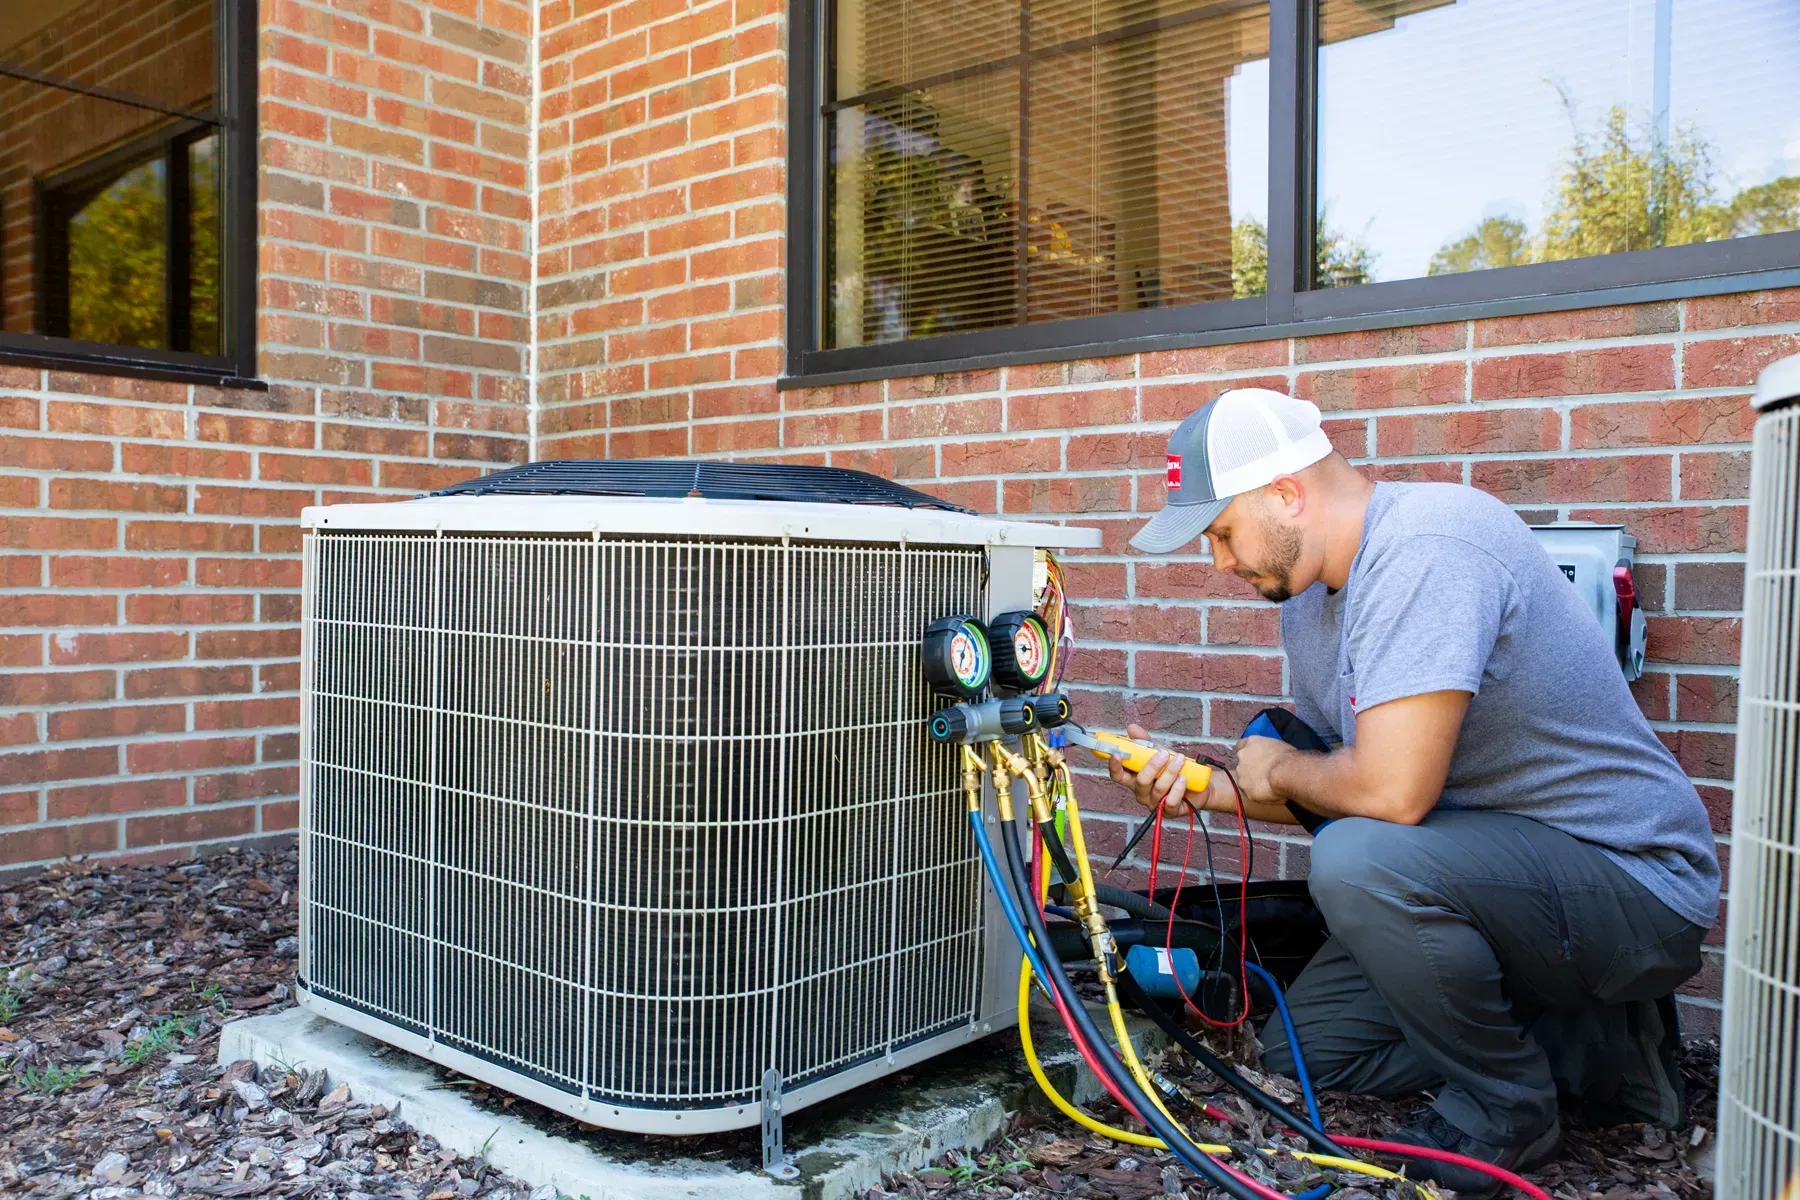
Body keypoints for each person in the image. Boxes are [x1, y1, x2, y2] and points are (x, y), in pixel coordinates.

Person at [1111, 387, 1719, 1198]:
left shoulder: (1430, 546)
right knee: (1313, 1051)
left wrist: (1283, 767)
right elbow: (1345, 787)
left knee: (1361, 861)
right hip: (1499, 882)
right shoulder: (1309, 600)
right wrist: (1200, 788)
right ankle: (1583, 1036)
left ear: (1286, 492)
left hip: (1634, 884)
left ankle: (1509, 1109)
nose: (1219, 561)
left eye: (1221, 532)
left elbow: (1390, 797)